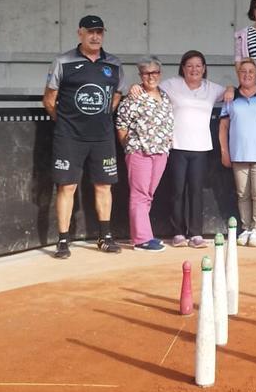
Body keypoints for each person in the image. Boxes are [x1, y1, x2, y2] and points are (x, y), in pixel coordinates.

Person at [43, 15, 124, 259]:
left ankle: (105, 236)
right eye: (90, 32)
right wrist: (69, 122)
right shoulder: (63, 62)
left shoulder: (114, 64)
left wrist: (99, 117)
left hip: (102, 137)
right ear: (80, 33)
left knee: (104, 186)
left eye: (99, 31)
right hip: (69, 137)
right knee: (66, 186)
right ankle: (63, 240)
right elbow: (48, 99)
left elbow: (116, 95)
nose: (95, 36)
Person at [160, 51, 227, 248]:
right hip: (177, 147)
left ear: (204, 69)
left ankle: (196, 233)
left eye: (198, 66)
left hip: (201, 148)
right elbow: (150, 87)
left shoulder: (211, 88)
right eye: (189, 65)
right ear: (182, 68)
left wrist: (231, 89)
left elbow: (230, 90)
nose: (194, 69)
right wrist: (137, 87)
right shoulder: (172, 84)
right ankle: (178, 232)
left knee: (196, 192)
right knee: (177, 191)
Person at [115, 57, 175, 252]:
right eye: (146, 73)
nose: (151, 77)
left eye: (155, 72)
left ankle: (144, 234)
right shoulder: (134, 95)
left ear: (160, 74)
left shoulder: (165, 95)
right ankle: (142, 239)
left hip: (160, 152)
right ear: (141, 75)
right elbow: (121, 125)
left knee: (148, 194)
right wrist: (130, 147)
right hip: (139, 151)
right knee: (140, 194)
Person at [218, 59, 256, 248]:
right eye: (243, 71)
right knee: (243, 193)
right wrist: (224, 151)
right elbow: (223, 126)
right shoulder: (231, 96)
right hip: (238, 154)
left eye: (251, 71)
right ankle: (246, 228)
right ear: (238, 74)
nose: (247, 75)